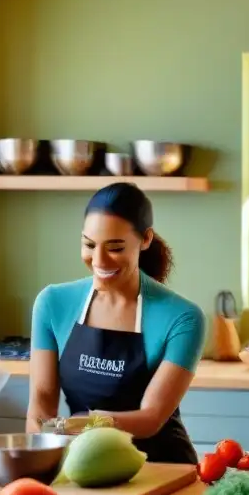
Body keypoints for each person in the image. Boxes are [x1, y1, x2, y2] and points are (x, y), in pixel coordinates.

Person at [27, 182, 205, 464]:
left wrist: (78, 425)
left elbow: (151, 418)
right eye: (89, 245)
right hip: (83, 464)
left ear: (145, 240)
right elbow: (42, 395)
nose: (99, 260)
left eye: (115, 247)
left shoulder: (182, 317)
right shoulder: (52, 303)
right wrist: (39, 456)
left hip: (162, 467)